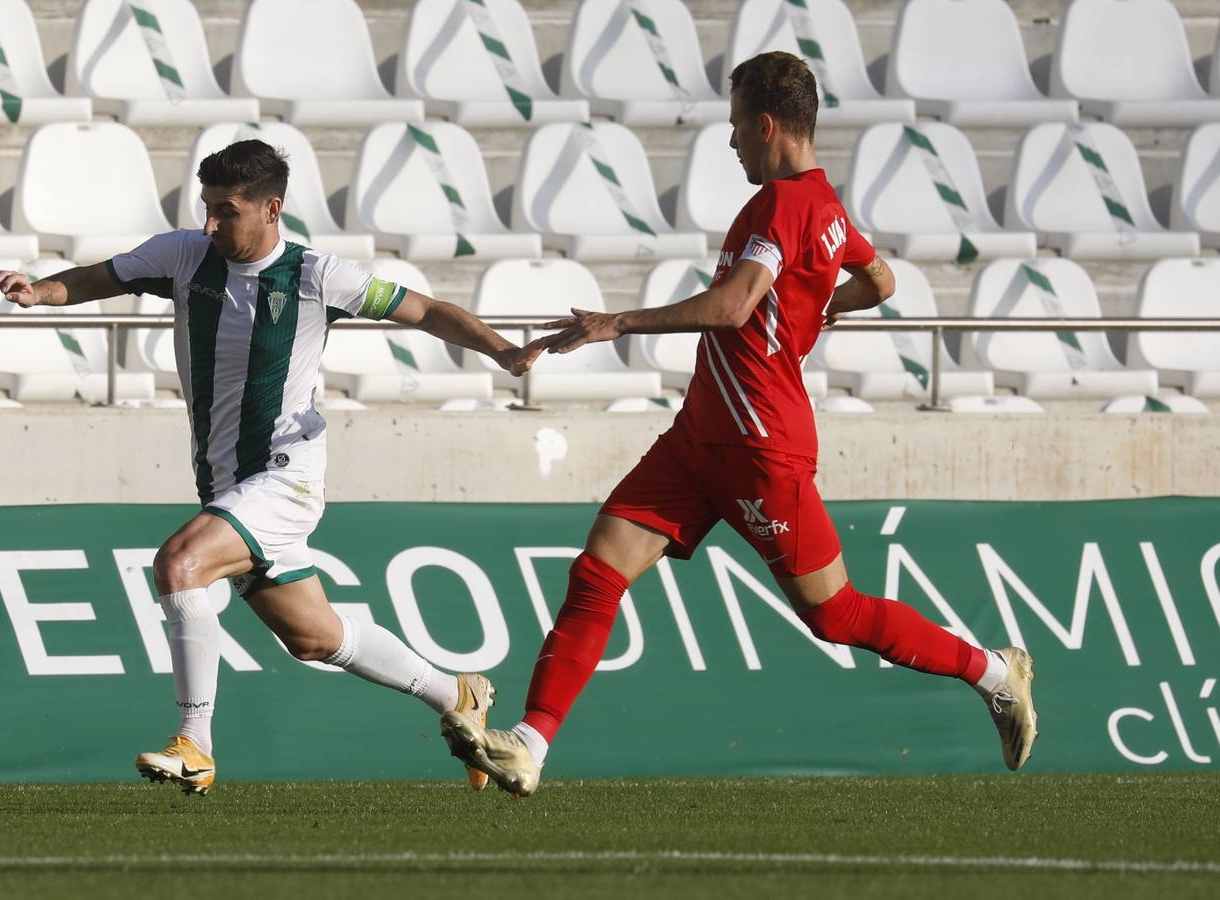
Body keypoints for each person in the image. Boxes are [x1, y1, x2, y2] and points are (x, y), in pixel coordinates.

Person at [439, 51, 1038, 797]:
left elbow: (731, 307)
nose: (730, 145)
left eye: (734, 129)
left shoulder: (786, 205)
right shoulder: (827, 208)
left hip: (761, 443)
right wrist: (816, 305)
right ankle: (530, 743)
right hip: (699, 438)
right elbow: (879, 280)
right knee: (597, 571)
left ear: (766, 126)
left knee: (836, 614)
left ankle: (994, 672)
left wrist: (614, 322)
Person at [0, 140, 541, 795]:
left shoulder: (316, 276)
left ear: (271, 209)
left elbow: (423, 310)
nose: (211, 224)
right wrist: (40, 291)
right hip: (225, 483)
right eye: (207, 209)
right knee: (313, 637)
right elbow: (98, 278)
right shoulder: (184, 254)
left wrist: (501, 349)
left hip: (286, 476)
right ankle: (457, 692)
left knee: (179, 565)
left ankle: (196, 742)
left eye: (226, 212)